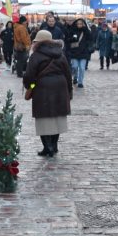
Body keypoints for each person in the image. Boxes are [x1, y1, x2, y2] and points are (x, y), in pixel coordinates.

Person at [23, 29, 72, 158]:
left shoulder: (36, 55)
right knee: (58, 117)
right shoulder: (60, 54)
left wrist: (30, 86)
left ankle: (47, 147)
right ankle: (54, 146)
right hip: (60, 87)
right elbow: (68, 73)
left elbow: (29, 75)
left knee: (43, 118)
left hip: (42, 87)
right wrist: (69, 90)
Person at [68, 18, 93, 88]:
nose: (79, 25)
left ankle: (80, 82)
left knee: (82, 68)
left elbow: (91, 38)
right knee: (74, 67)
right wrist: (72, 39)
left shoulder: (86, 31)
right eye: (78, 24)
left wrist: (86, 30)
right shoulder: (72, 30)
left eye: (81, 24)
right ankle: (75, 77)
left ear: (83, 24)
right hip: (74, 52)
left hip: (84, 52)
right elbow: (68, 40)